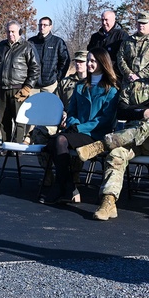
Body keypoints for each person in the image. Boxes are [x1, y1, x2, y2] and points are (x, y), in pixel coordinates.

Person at [76, 52, 149, 221]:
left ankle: (102, 144)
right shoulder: (137, 86)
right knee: (116, 154)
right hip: (134, 141)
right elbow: (121, 110)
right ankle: (108, 202)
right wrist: (141, 112)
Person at [40, 48, 119, 205]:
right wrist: (74, 124)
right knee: (56, 140)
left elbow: (106, 120)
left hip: (96, 134)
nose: (89, 64)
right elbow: (72, 111)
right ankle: (68, 186)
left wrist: (81, 128)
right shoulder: (80, 86)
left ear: (103, 63)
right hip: (76, 131)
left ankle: (62, 186)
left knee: (57, 141)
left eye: (93, 61)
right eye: (88, 60)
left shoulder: (111, 90)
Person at [0, 20, 40, 142]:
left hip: (19, 90)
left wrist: (27, 87)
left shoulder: (27, 47)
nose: (10, 34)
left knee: (19, 120)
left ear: (19, 32)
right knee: (3, 120)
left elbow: (35, 69)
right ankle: (6, 146)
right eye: (8, 32)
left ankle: (17, 146)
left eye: (13, 32)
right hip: (1, 89)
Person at [116, 10, 149, 84]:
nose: (141, 25)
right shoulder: (128, 40)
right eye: (139, 22)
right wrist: (129, 73)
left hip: (148, 84)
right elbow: (120, 58)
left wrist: (139, 75)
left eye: (144, 23)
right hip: (128, 83)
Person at [28, 16, 70, 93]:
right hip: (33, 85)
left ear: (50, 27)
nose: (42, 27)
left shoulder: (58, 42)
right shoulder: (31, 42)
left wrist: (58, 78)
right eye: (40, 25)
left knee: (50, 105)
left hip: (50, 85)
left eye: (45, 25)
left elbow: (65, 61)